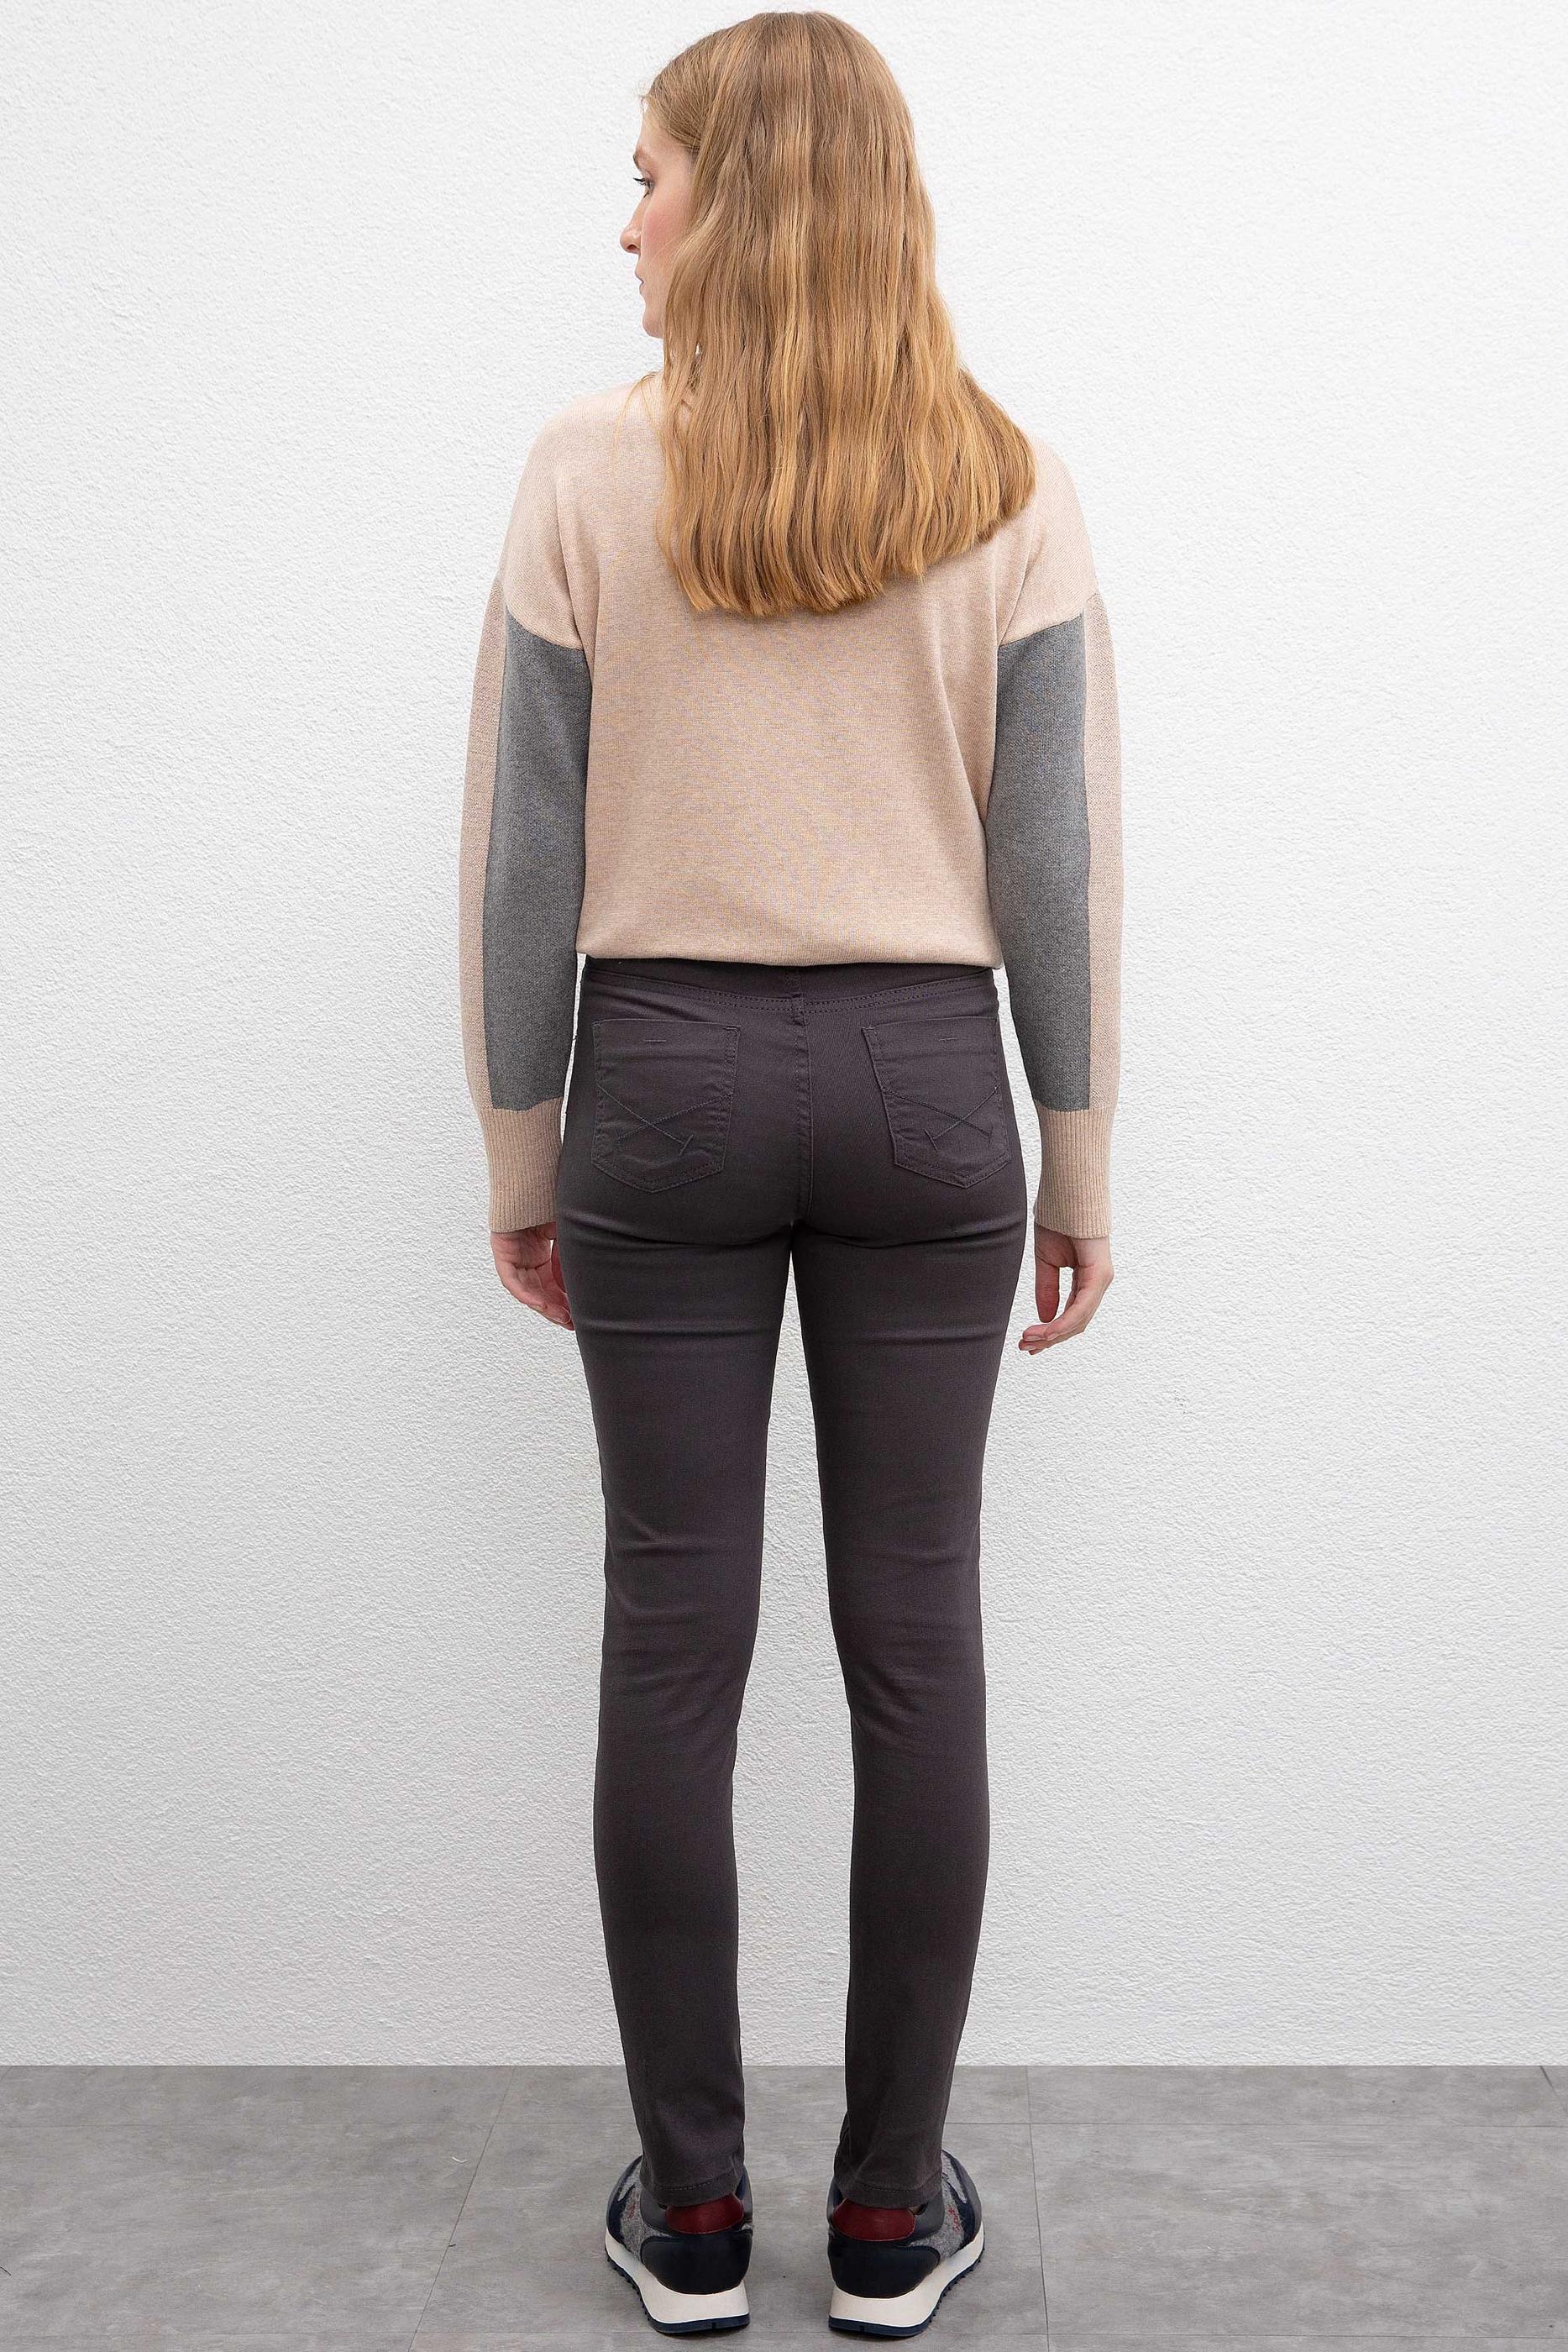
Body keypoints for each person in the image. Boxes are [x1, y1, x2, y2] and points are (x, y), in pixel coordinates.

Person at [458, 13, 1122, 2337]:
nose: (623, 221)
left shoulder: (582, 468)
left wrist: (521, 1144)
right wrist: (1077, 1149)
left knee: (674, 1641)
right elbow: (1050, 862)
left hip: (662, 1087)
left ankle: (694, 2219)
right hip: (929, 1086)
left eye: (645, 175)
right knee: (915, 1642)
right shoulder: (1004, 478)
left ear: (730, 201)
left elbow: (525, 853)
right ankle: (887, 2219)